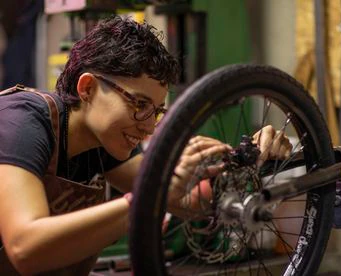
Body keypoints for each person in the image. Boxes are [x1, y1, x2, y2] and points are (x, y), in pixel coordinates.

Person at [0, 16, 292, 275]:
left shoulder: (104, 143)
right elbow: (24, 247)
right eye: (139, 104)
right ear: (87, 88)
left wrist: (246, 164)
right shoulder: (22, 122)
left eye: (157, 111)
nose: (150, 126)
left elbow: (186, 203)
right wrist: (151, 194)